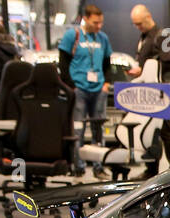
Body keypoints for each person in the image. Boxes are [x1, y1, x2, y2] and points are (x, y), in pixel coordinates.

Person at [59, 4, 113, 177]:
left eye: (101, 22)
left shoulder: (102, 38)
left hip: (98, 90)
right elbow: (63, 63)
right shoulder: (72, 35)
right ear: (86, 18)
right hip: (79, 89)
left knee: (99, 129)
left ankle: (98, 166)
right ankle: (78, 166)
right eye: (96, 22)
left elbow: (107, 63)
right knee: (78, 130)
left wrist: (106, 83)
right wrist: (71, 86)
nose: (99, 26)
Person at [128, 3, 170, 166]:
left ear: (148, 17)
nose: (137, 27)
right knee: (149, 131)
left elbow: (168, 62)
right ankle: (151, 168)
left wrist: (144, 68)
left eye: (139, 23)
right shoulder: (144, 36)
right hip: (147, 90)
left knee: (165, 131)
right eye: (135, 24)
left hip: (161, 89)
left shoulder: (165, 34)